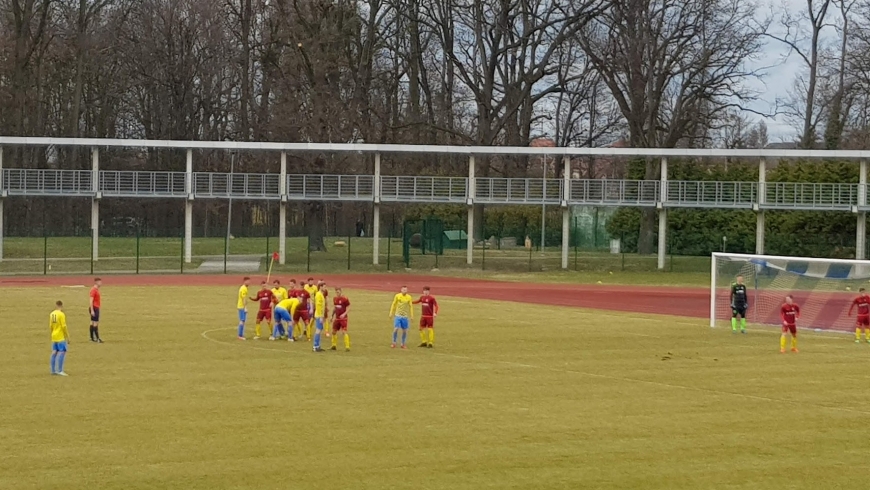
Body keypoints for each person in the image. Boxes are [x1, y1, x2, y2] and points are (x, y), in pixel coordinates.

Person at [50, 300, 70, 376]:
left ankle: (52, 370)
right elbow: (64, 326)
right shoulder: (61, 314)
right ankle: (60, 370)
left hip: (54, 335)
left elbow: (50, 326)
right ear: (61, 306)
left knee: (54, 351)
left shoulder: (52, 314)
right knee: (62, 351)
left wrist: (52, 334)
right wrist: (67, 336)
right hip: (60, 336)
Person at [331, 287, 351, 351]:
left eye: (338, 292)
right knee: (333, 332)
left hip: (343, 319)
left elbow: (349, 307)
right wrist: (332, 316)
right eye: (336, 292)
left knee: (344, 332)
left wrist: (344, 314)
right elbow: (335, 308)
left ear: (341, 291)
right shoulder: (335, 299)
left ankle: (347, 347)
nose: (337, 293)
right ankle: (334, 346)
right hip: (337, 318)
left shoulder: (345, 299)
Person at [312, 284, 327, 352]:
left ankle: (318, 346)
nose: (325, 288)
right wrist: (321, 316)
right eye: (324, 286)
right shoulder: (318, 295)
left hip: (320, 315)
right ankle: (315, 346)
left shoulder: (320, 294)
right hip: (319, 315)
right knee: (318, 330)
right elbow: (318, 306)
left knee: (319, 330)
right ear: (320, 287)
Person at [89, 277, 103, 343]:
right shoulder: (94, 290)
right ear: (96, 282)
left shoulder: (96, 289)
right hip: (95, 307)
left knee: (92, 322)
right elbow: (91, 300)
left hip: (94, 307)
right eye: (100, 282)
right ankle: (97, 338)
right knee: (95, 323)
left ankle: (92, 338)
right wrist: (92, 310)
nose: (101, 283)